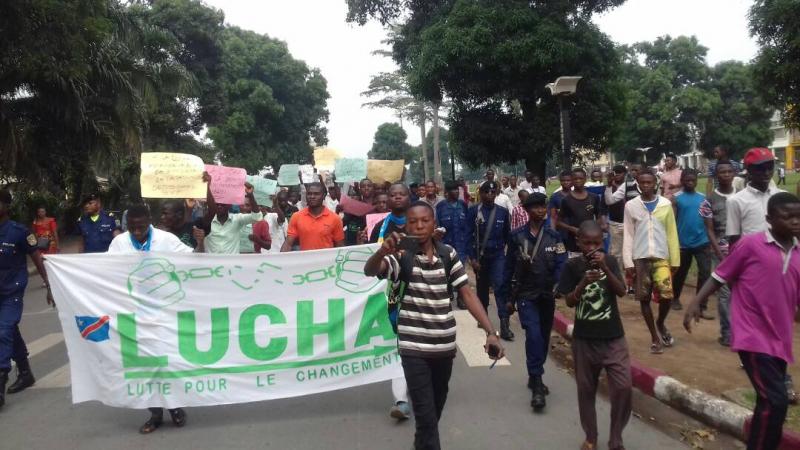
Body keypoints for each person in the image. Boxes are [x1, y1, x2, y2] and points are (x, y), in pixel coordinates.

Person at [363, 201, 505, 450]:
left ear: (434, 223)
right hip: (413, 348)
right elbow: (370, 270)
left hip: (443, 348)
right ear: (406, 225)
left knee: (433, 413)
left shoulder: (448, 254)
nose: (419, 226)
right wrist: (381, 252)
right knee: (427, 418)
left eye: (424, 220)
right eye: (413, 222)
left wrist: (491, 332)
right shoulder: (401, 256)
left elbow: (468, 295)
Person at [684, 193, 800, 450]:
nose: (795, 222)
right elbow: (720, 275)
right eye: (787, 217)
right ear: (769, 219)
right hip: (752, 335)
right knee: (776, 400)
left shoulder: (799, 252)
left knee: (767, 402)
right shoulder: (751, 245)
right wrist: (695, 302)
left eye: (798, 217)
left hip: (780, 339)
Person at [107, 204, 203, 433]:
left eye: (140, 227)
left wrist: (200, 242)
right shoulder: (119, 243)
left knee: (167, 364)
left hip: (165, 313)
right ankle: (155, 413)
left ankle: (175, 407)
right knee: (145, 368)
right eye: (132, 228)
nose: (137, 231)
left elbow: (194, 261)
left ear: (149, 221)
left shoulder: (165, 239)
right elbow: (105, 270)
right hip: (133, 313)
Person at [557, 221, 631, 450]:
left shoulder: (609, 261)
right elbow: (568, 300)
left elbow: (621, 291)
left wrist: (606, 270)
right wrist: (582, 283)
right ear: (578, 242)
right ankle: (591, 436)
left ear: (603, 243)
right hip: (584, 339)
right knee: (586, 390)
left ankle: (616, 436)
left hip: (613, 337)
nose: (592, 248)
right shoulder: (572, 266)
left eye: (597, 243)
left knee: (623, 386)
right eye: (587, 243)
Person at [505, 193, 567, 411]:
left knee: (542, 338)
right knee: (533, 335)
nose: (541, 210)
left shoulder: (554, 236)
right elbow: (508, 267)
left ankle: (534, 374)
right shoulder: (516, 237)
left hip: (546, 295)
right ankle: (538, 385)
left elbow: (561, 263)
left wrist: (559, 285)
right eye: (536, 207)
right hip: (525, 295)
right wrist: (506, 297)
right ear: (527, 210)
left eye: (543, 206)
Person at [0, 190, 54, 409]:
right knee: (10, 330)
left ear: (7, 205)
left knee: (3, 330)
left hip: (11, 292)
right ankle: (25, 372)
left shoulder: (19, 232)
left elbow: (37, 258)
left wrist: (49, 284)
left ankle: (0, 381)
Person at [622, 169, 680, 354]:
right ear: (638, 184)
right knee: (644, 298)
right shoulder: (631, 206)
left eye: (649, 182)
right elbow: (628, 234)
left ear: (655, 183)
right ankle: (654, 336)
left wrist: (675, 259)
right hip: (640, 257)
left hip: (661, 256)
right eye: (642, 183)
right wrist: (628, 262)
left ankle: (660, 322)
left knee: (666, 295)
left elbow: (672, 232)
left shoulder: (665, 204)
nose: (646, 186)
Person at [466, 182, 513, 340]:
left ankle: (504, 325)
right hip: (480, 257)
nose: (490, 195)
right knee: (482, 288)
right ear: (481, 193)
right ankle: (483, 316)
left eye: (493, 192)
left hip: (498, 255)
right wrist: (472, 259)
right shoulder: (473, 211)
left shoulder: (502, 212)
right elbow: (468, 237)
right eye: (487, 192)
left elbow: (508, 236)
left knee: (500, 287)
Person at [698, 160, 736, 347]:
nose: (726, 175)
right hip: (721, 251)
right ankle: (727, 332)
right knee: (725, 292)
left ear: (734, 173)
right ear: (716, 175)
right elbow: (710, 230)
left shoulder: (742, 196)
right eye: (722, 172)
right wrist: (719, 253)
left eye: (729, 171)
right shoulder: (709, 200)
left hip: (744, 249)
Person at [670, 169, 712, 313]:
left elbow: (708, 220)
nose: (690, 182)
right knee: (681, 273)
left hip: (702, 241)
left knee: (705, 273)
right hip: (683, 243)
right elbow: (672, 221)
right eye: (687, 180)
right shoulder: (676, 198)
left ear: (696, 180)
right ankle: (675, 298)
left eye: (692, 180)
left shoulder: (703, 197)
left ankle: (701, 304)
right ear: (682, 181)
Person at [726, 148, 785, 246]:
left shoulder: (782, 197)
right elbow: (734, 238)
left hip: (779, 255)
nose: (766, 173)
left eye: (770, 168)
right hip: (751, 256)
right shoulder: (735, 201)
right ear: (749, 170)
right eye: (761, 169)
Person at [202, 174, 262, 254]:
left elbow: (257, 217)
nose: (220, 206)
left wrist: (251, 196)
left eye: (223, 204)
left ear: (229, 204)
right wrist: (207, 186)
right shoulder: (206, 222)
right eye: (217, 204)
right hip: (212, 265)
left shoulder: (237, 219)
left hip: (231, 266)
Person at [604, 164, 640, 293]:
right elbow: (609, 201)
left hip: (636, 226)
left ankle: (633, 284)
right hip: (616, 224)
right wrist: (608, 186)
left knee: (634, 254)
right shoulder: (626, 186)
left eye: (637, 170)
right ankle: (618, 282)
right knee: (616, 255)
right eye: (615, 173)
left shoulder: (649, 185)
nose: (617, 175)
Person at [556, 168, 606, 258]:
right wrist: (572, 229)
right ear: (572, 180)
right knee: (576, 268)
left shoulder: (593, 198)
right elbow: (559, 222)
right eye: (575, 179)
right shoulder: (566, 200)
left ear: (585, 179)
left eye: (580, 178)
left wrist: (595, 228)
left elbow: (599, 216)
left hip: (592, 243)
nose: (578, 181)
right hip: (574, 242)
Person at [281, 183, 345, 251]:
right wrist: (279, 259)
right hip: (306, 260)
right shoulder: (296, 217)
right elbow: (288, 243)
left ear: (323, 196)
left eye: (316, 194)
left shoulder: (335, 219)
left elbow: (340, 246)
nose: (312, 196)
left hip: (326, 261)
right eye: (309, 194)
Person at [436, 181, 470, 264]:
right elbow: (437, 227)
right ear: (447, 192)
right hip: (446, 247)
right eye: (453, 190)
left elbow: (467, 227)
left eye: (457, 189)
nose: (456, 191)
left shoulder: (463, 205)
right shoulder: (441, 206)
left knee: (460, 273)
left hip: (461, 248)